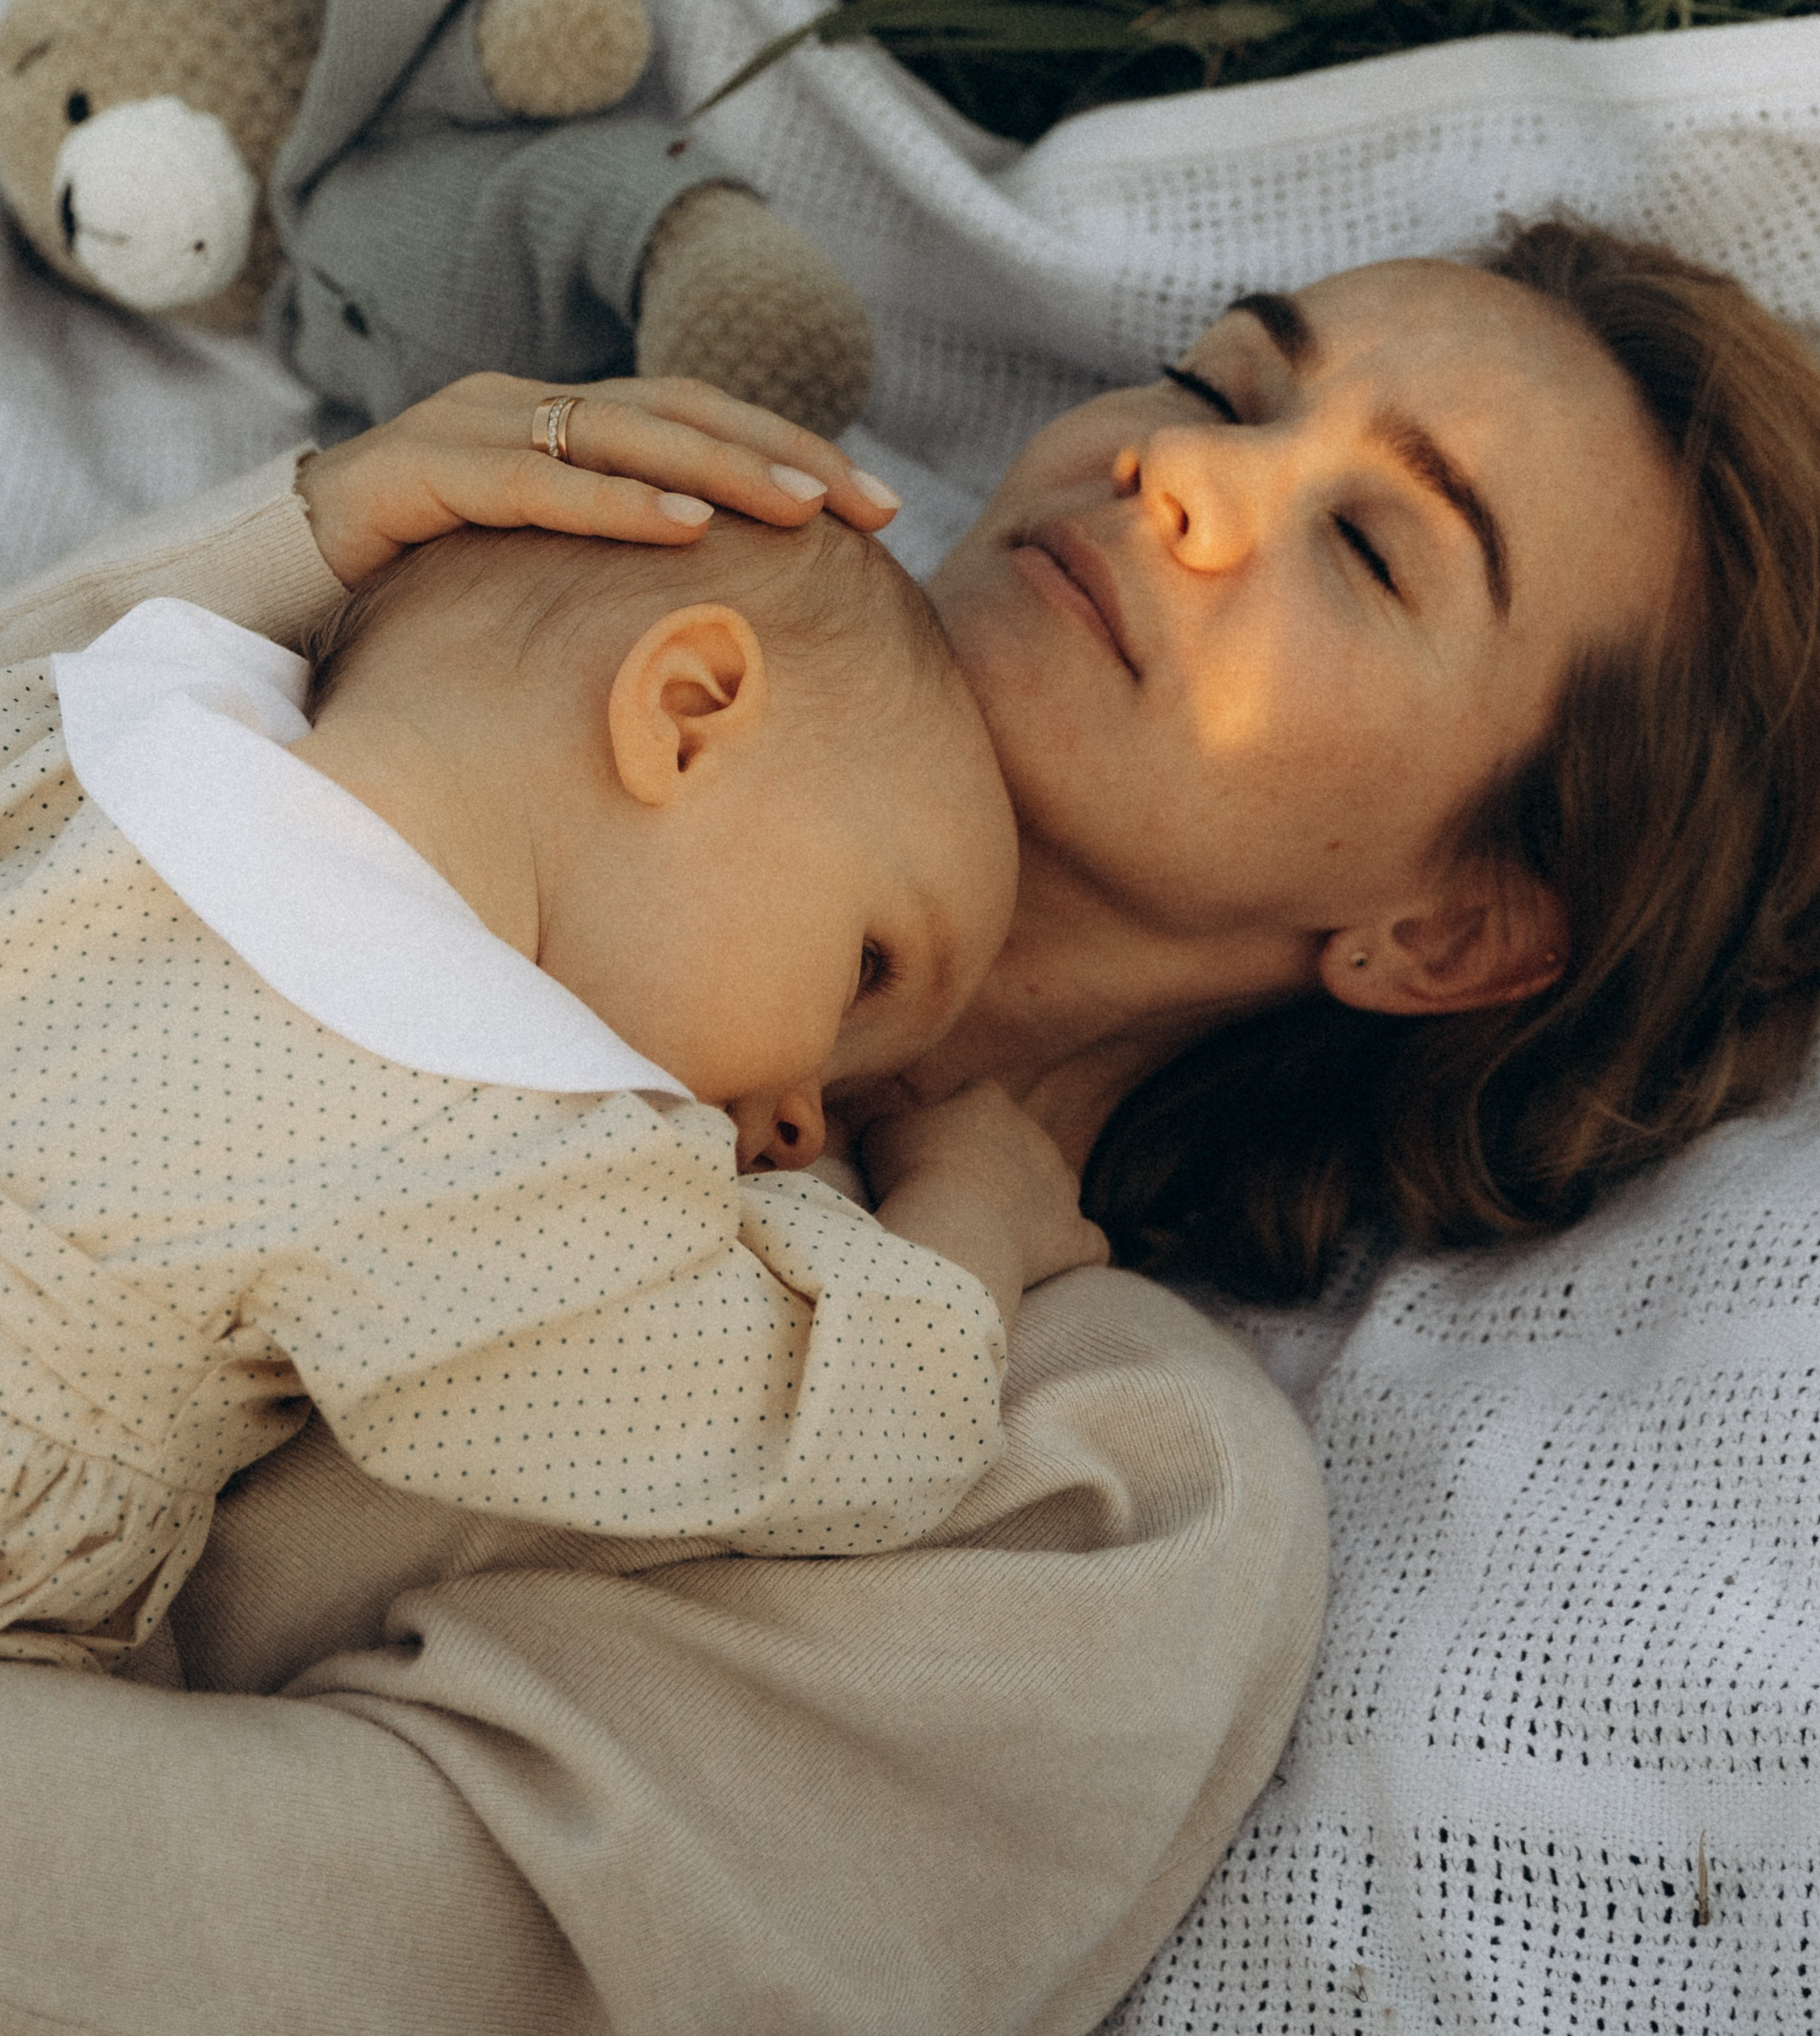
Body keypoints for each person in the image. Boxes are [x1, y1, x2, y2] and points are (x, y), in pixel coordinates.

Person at [0, 213, 1814, 2035]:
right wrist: (304, 544)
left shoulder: (1085, 1481)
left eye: (1367, 545)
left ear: (1448, 930)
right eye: (1214, 382)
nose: (1170, 465)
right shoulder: (483, 655)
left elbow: (370, 1954)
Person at [0, 509, 1116, 1669]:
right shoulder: (495, 1151)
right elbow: (845, 1429)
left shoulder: (106, 714)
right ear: (683, 716)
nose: (803, 1119)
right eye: (864, 974)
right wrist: (968, 1209)